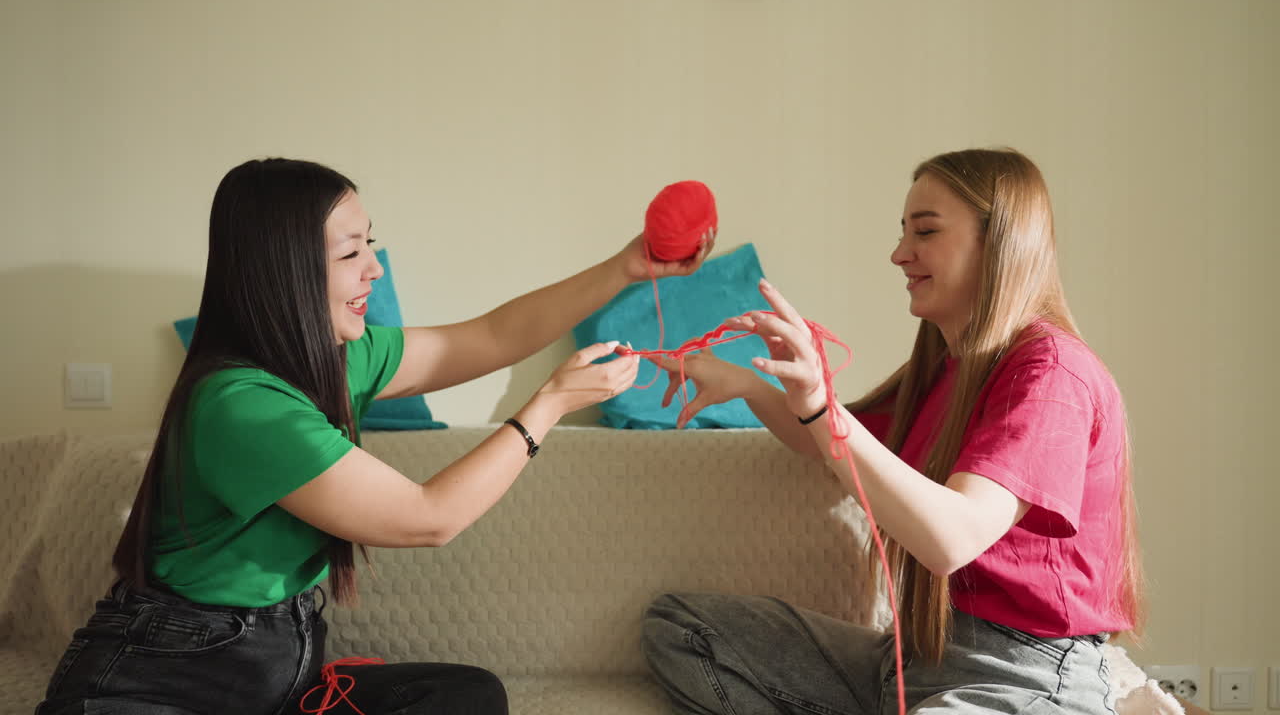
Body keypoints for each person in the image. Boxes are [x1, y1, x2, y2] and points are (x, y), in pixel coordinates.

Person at [36, 157, 713, 715]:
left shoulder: (333, 360)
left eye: (372, 245)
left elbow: (493, 336)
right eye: (352, 252)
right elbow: (429, 519)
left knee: (464, 698)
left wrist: (626, 267)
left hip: (275, 679)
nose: (375, 270)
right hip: (159, 687)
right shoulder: (241, 407)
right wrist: (547, 407)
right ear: (288, 269)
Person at [642, 148, 1144, 714]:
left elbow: (951, 539)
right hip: (913, 660)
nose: (899, 254)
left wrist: (820, 405)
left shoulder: (1051, 374)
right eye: (903, 232)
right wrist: (750, 384)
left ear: (1000, 242)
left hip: (1026, 675)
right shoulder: (944, 372)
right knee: (682, 626)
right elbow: (830, 445)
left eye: (924, 232)